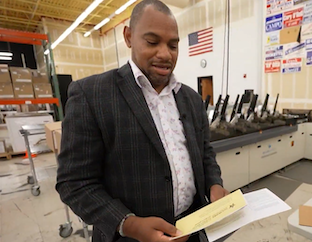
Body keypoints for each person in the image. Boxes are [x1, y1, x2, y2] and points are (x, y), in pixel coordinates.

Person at [56, 1, 229, 241]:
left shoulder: (191, 98)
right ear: (128, 37)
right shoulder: (91, 95)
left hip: (192, 231)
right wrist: (128, 224)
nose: (165, 54)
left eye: (173, 45)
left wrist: (214, 184)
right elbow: (74, 183)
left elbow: (205, 154)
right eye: (152, 42)